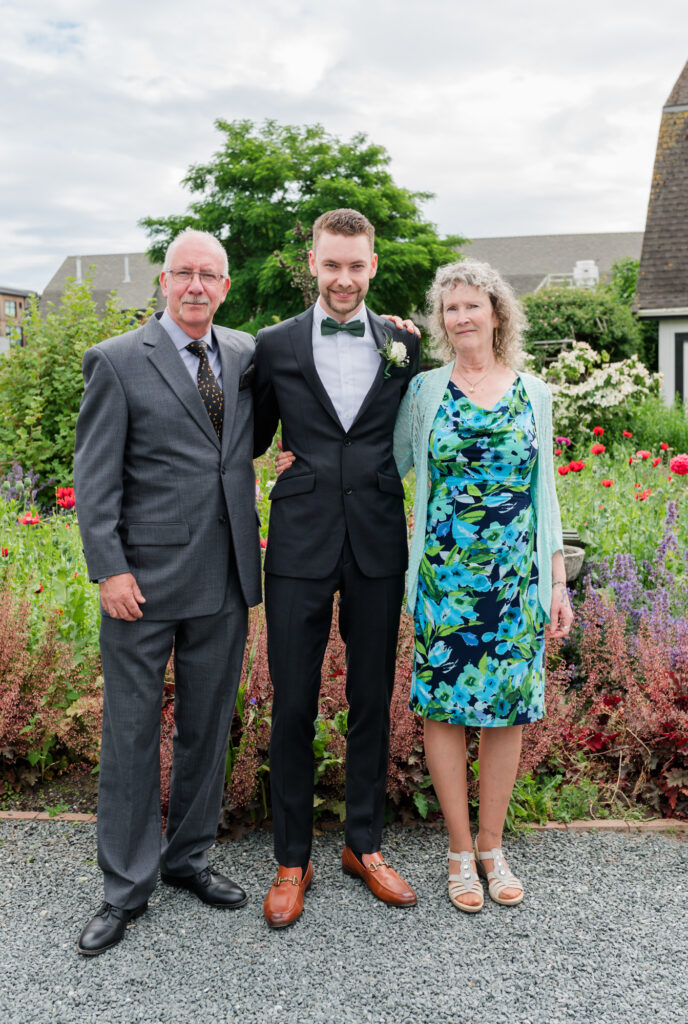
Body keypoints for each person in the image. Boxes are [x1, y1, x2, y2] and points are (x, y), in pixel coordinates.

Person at [73, 229, 261, 955]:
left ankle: (188, 860)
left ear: (225, 285)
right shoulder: (119, 361)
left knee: (207, 730)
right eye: (183, 273)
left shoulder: (245, 354)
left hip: (223, 578)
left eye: (208, 275)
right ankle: (124, 887)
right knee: (130, 734)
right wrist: (108, 568)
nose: (195, 286)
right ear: (162, 280)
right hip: (141, 585)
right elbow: (95, 479)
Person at [253, 208, 420, 928]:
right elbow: (252, 437)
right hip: (298, 541)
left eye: (356, 265)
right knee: (290, 703)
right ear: (313, 265)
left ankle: (364, 844)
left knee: (371, 698)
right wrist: (275, 469)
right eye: (332, 265)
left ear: (372, 266)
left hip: (378, 539)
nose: (344, 278)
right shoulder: (275, 344)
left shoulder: (405, 346)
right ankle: (293, 857)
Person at [393, 259, 572, 912]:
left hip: (514, 581)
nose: (462, 317)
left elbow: (544, 490)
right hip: (446, 579)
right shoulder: (426, 393)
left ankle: (494, 848)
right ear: (441, 322)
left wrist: (557, 581)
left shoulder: (534, 392)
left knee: (506, 714)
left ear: (497, 313)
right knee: (443, 710)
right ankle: (459, 851)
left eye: (473, 305)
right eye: (450, 308)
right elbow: (388, 464)